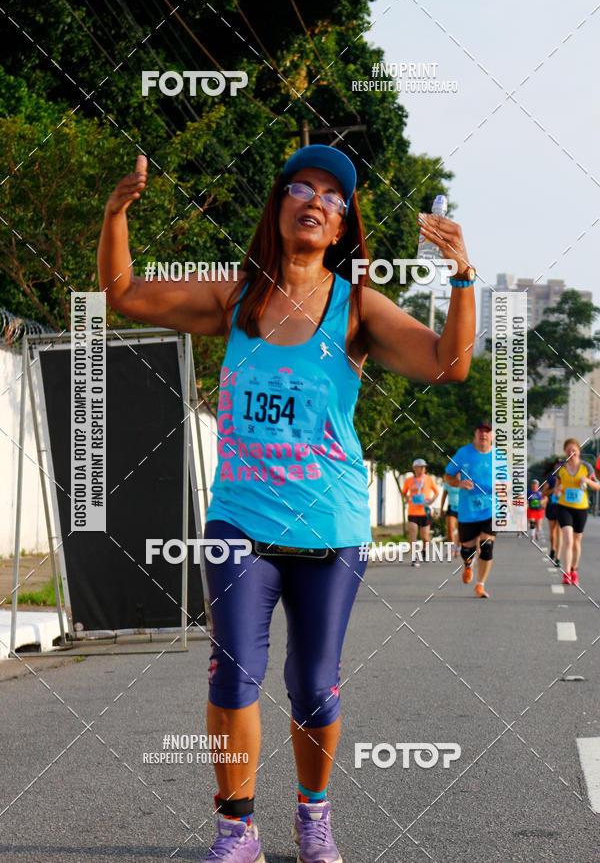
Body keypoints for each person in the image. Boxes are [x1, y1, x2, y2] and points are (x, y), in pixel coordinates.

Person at [97, 144, 475, 863]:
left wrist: (462, 276)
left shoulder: (358, 307)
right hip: (239, 518)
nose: (313, 200)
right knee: (233, 667)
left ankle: (313, 816)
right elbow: (122, 293)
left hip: (330, 525)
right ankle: (236, 829)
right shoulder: (236, 295)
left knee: (313, 687)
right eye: (299, 187)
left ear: (340, 227)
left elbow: (449, 363)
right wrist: (116, 213)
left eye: (331, 197)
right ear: (278, 208)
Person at [444, 421, 504, 599]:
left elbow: (507, 481)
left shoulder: (498, 456)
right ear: (475, 434)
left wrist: (503, 486)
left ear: (492, 436)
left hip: (490, 510)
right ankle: (468, 565)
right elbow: (448, 475)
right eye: (480, 431)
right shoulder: (463, 453)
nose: (484, 434)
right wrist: (458, 482)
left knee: (487, 546)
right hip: (468, 511)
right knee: (467, 550)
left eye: (488, 432)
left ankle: (480, 585)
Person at [556, 438, 600, 586]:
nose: (571, 453)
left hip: (581, 508)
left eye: (573, 450)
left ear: (579, 451)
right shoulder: (561, 468)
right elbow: (557, 487)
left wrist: (587, 481)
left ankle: (574, 570)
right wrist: (557, 490)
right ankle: (566, 573)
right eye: (568, 450)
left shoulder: (586, 467)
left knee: (576, 541)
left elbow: (597, 486)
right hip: (564, 507)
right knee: (568, 539)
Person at [402, 458, 439, 566]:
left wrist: (432, 500)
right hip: (412, 512)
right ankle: (414, 557)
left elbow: (436, 492)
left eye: (424, 467)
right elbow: (404, 492)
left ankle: (424, 551)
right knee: (413, 533)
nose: (423, 469)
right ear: (415, 468)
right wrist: (407, 498)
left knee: (425, 538)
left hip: (425, 512)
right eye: (421, 467)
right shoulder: (408, 480)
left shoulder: (429, 479)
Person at [541, 459, 562, 567]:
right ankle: (553, 549)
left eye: (561, 464)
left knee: (559, 531)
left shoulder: (566, 476)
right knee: (552, 531)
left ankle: (558, 557)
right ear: (554, 466)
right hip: (552, 506)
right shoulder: (550, 478)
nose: (559, 466)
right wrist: (553, 490)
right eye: (558, 464)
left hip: (563, 506)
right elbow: (543, 493)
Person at [441, 477, 460, 556]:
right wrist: (441, 509)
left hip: (462, 508)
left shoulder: (464, 480)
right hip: (451, 508)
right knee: (450, 528)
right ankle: (451, 548)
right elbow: (444, 496)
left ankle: (458, 547)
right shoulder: (448, 482)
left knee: (461, 530)